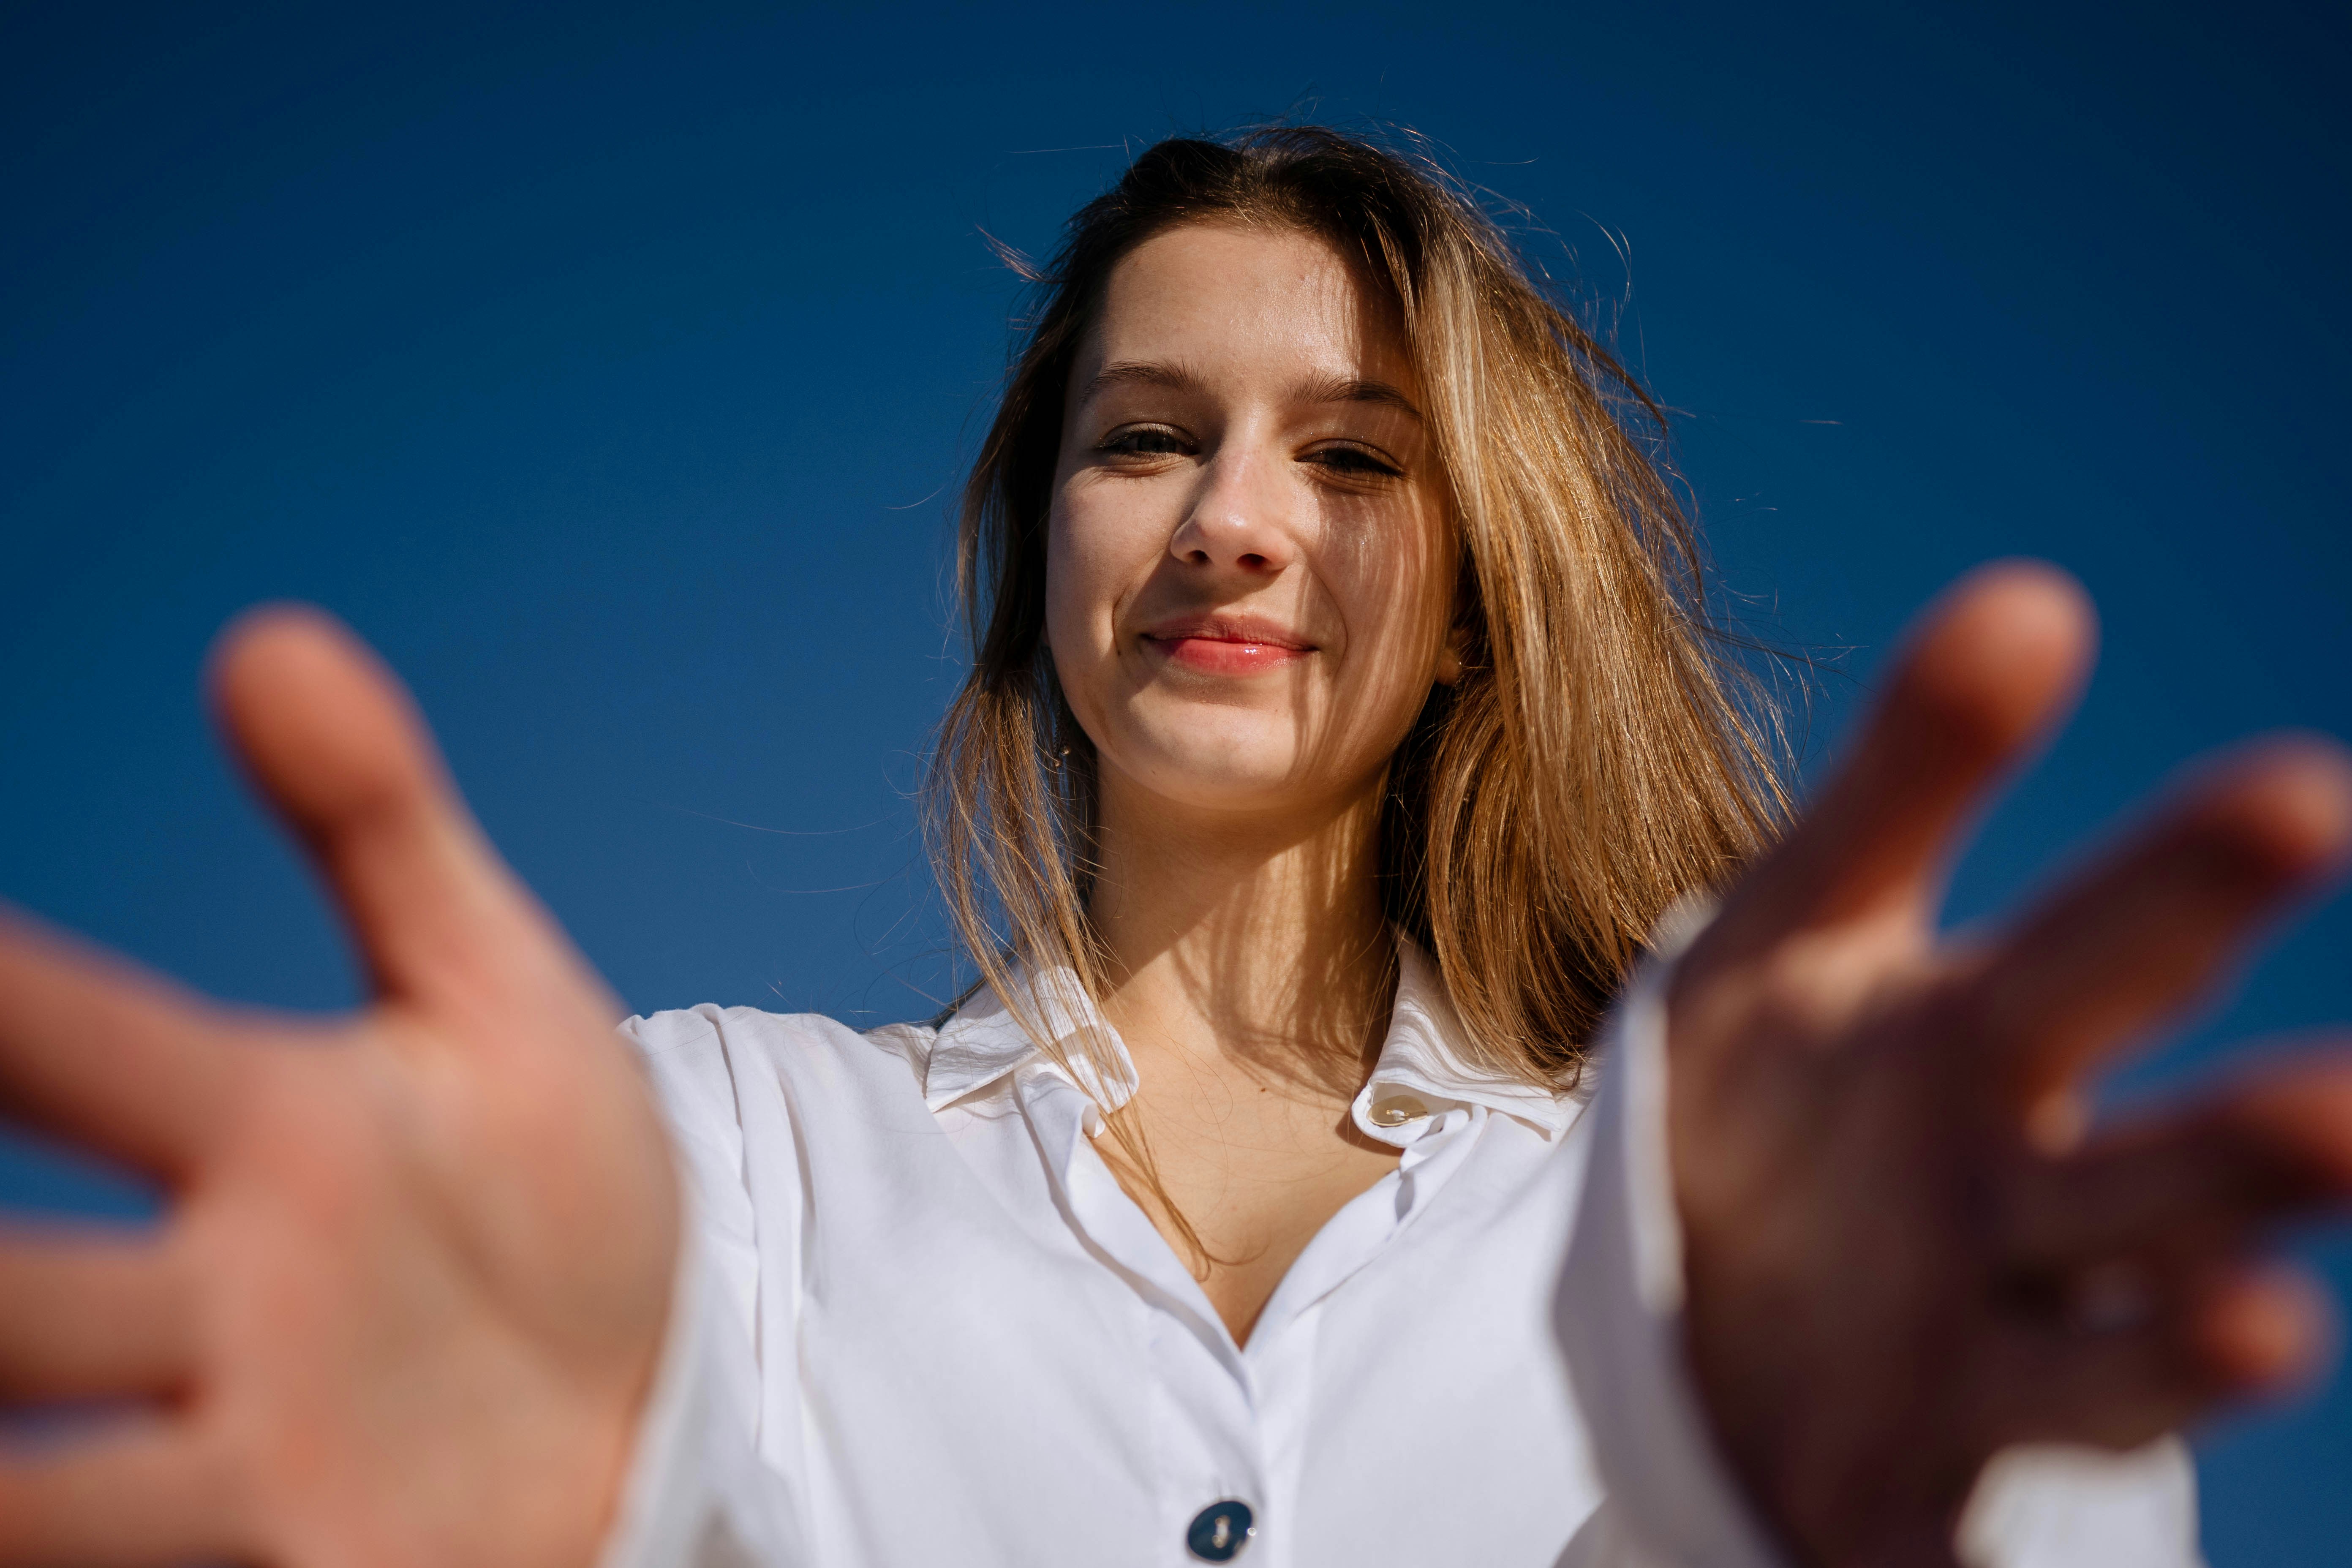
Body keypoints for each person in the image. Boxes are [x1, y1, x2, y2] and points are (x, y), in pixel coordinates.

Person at [0, 125, 2346, 1568]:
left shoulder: (1709, 1206)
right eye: (1147, 437)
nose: (1234, 520)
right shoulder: (708, 1144)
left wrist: (1849, 1516)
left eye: (1351, 455)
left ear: (1469, 598)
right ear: (1044, 554)